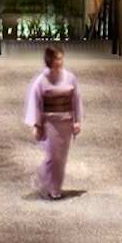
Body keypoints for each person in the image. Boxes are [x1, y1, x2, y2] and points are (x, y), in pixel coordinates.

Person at [23, 45, 83, 200]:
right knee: (53, 156)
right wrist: (37, 125)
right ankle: (45, 179)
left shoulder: (70, 78)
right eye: (57, 58)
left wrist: (76, 120)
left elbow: (75, 99)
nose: (60, 62)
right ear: (49, 60)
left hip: (65, 121)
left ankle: (55, 187)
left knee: (61, 157)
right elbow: (36, 103)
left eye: (61, 58)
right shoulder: (41, 81)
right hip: (50, 122)